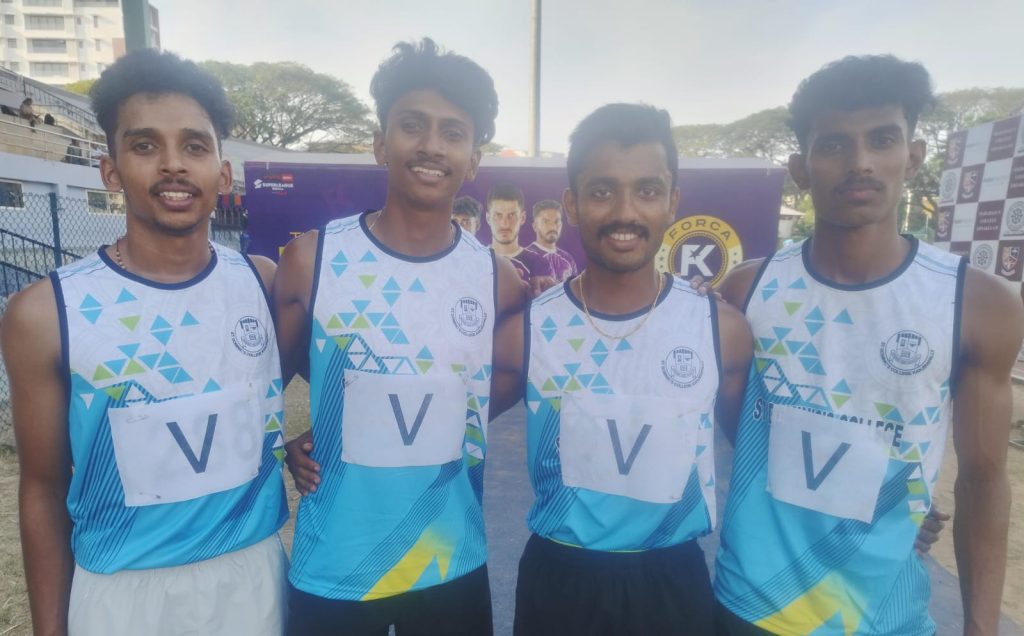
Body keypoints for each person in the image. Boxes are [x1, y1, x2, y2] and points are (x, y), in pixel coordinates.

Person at [712, 55, 1023, 636]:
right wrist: (871, 486)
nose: (860, 162)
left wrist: (982, 629)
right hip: (751, 607)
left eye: (882, 139)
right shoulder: (745, 290)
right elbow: (748, 433)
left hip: (885, 618)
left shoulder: (978, 303)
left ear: (914, 156)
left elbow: (984, 481)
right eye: (834, 145)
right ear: (801, 169)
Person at [0, 49, 289, 635]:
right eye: (145, 145)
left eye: (194, 146)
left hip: (254, 577)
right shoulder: (44, 312)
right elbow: (44, 487)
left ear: (223, 174)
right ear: (110, 171)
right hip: (122, 597)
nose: (173, 165)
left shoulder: (261, 281)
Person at [274, 38, 525, 635]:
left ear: (473, 160)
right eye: (413, 125)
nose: (432, 145)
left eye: (453, 132)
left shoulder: (499, 279)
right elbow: (264, 380)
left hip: (449, 558)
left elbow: (508, 378)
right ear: (381, 143)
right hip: (337, 563)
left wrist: (453, 418)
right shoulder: (312, 259)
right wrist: (299, 435)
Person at [499, 103, 752, 635]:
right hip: (560, 579)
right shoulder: (530, 328)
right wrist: (321, 437)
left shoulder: (720, 327)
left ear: (672, 202)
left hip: (671, 580)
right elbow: (444, 412)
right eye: (602, 191)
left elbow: (762, 452)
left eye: (647, 190)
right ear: (572, 204)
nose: (625, 211)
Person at [520, 199, 578, 293]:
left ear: (561, 224)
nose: (552, 227)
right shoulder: (524, 258)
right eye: (546, 221)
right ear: (535, 226)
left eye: (556, 222)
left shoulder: (568, 259)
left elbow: (575, 293)